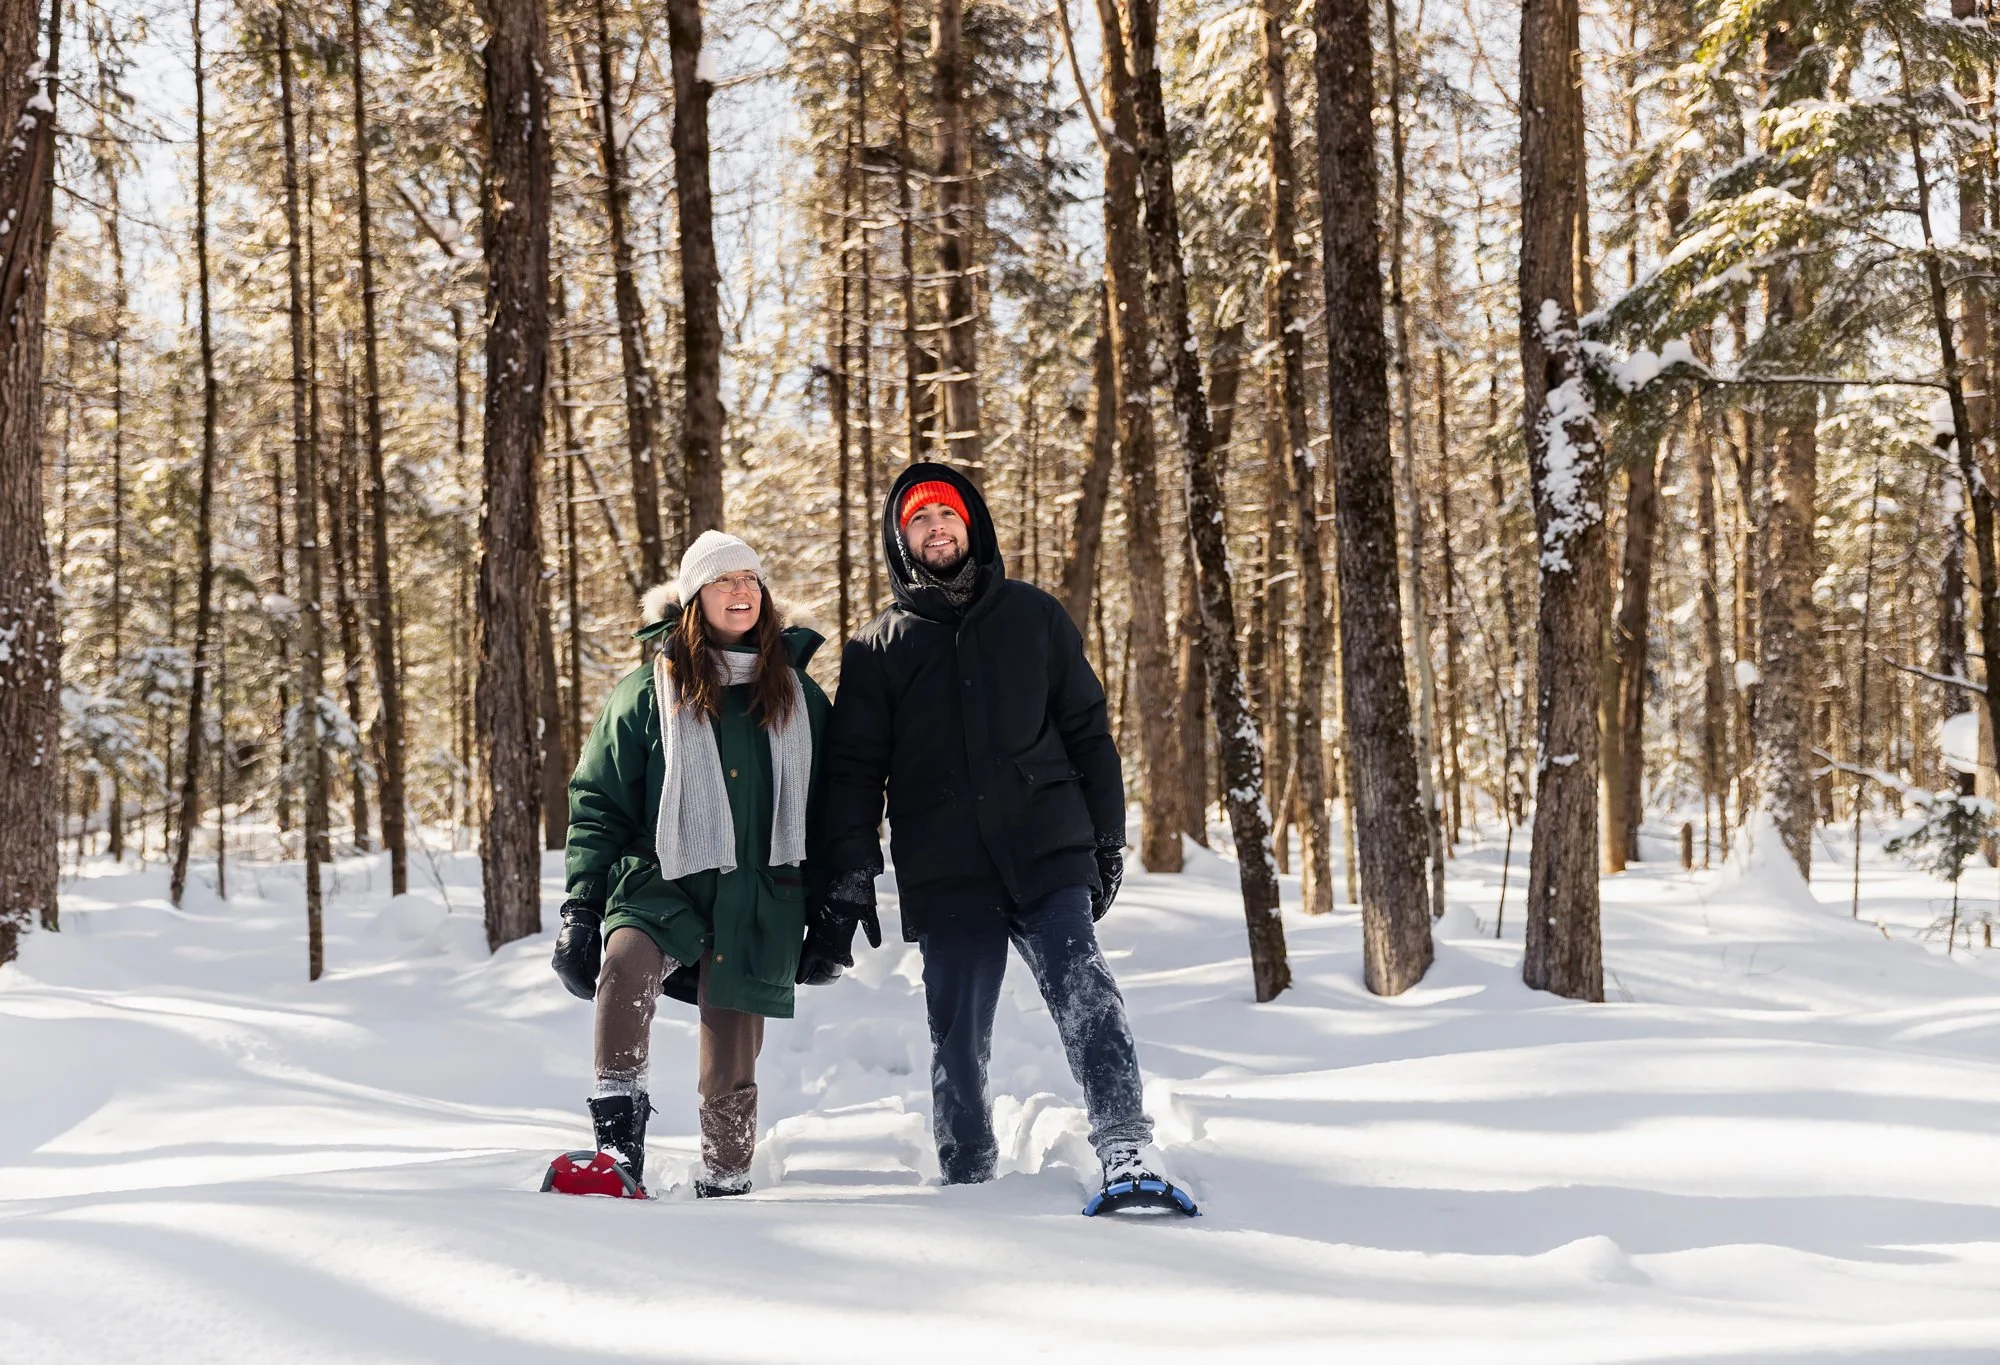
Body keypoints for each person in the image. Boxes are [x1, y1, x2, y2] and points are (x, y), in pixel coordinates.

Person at [814, 463, 1162, 1195]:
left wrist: (1107, 837)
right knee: (958, 1039)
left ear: (970, 525)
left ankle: (1127, 1143)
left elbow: (1088, 733)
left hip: (1045, 848)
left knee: (1087, 993)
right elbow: (852, 772)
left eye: (947, 516)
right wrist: (849, 873)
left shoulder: (1034, 618)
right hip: (947, 869)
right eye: (919, 521)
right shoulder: (877, 649)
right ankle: (968, 1173)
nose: (936, 529)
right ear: (901, 539)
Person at [550, 530, 832, 1198]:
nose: (739, 591)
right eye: (720, 580)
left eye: (749, 579)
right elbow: (598, 803)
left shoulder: (800, 699)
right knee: (624, 965)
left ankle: (727, 1176)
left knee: (731, 1049)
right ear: (692, 600)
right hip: (660, 883)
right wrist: (582, 907)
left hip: (759, 894)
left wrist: (833, 908)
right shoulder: (647, 693)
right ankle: (617, 1154)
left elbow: (833, 812)